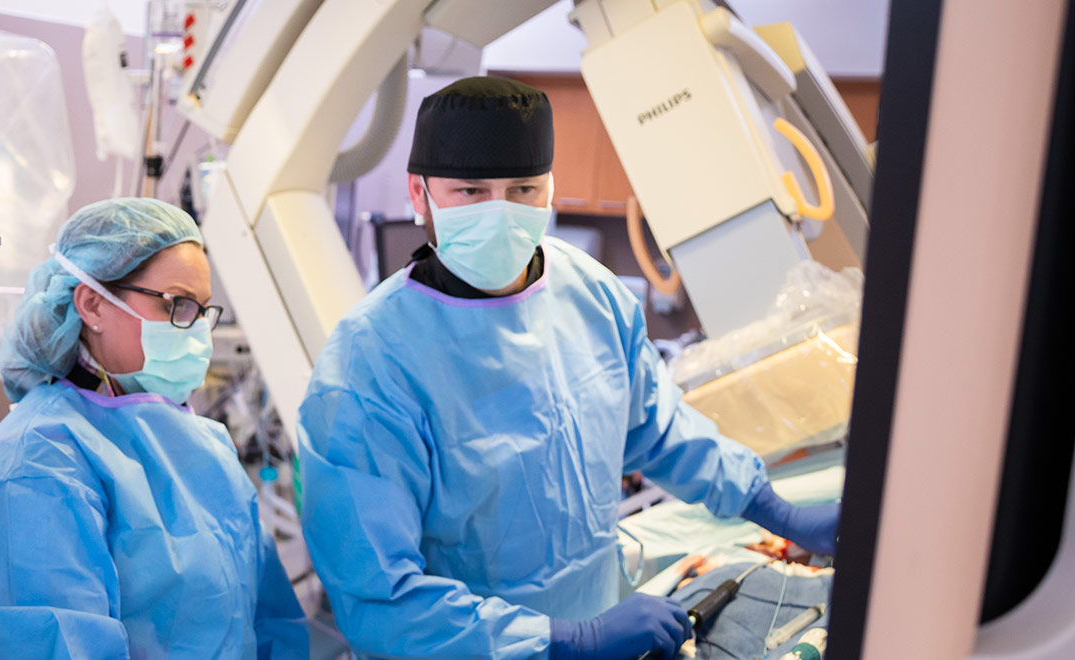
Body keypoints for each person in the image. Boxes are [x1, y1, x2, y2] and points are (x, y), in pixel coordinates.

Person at [297, 77, 841, 660]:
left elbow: (658, 430)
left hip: (593, 621)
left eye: (523, 188)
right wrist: (563, 641)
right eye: (470, 192)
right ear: (419, 193)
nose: (499, 212)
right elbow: (382, 599)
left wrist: (777, 510)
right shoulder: (370, 363)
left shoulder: (593, 296)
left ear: (550, 188)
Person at [0, 198, 308, 659]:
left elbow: (269, 625)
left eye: (203, 310)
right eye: (178, 305)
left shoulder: (204, 446)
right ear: (92, 305)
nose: (196, 330)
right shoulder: (32, 471)